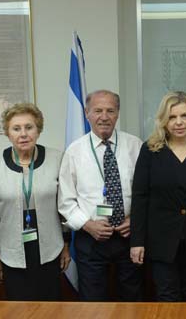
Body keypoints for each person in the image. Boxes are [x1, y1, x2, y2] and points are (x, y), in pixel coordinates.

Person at [130, 92, 186, 301]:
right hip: (160, 241)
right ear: (163, 121)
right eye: (172, 117)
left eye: (184, 116)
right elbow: (140, 197)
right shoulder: (150, 150)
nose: (179, 123)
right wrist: (137, 242)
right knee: (166, 295)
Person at [58, 90, 144, 301]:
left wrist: (136, 220)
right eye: (97, 111)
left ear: (117, 114)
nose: (104, 117)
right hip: (91, 239)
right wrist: (88, 225)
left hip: (129, 236)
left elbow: (148, 194)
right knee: (94, 304)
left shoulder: (136, 146)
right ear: (87, 113)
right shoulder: (74, 151)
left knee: (132, 299)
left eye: (110, 111)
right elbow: (66, 201)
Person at [0, 103, 70, 301]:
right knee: (18, 309)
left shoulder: (57, 159)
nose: (23, 134)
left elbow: (64, 208)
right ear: (7, 133)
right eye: (16, 128)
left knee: (51, 308)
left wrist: (66, 245)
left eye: (29, 127)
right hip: (11, 250)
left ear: (38, 130)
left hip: (50, 247)